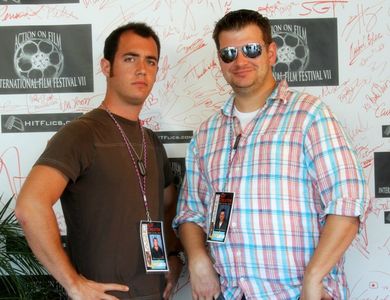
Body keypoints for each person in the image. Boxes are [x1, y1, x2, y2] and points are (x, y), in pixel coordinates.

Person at [173, 9, 370, 300]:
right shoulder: (206, 133)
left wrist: (314, 278)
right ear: (220, 61)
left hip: (298, 294)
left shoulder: (309, 115)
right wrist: (199, 261)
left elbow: (348, 202)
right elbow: (190, 212)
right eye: (228, 53)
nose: (240, 61)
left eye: (251, 49)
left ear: (271, 53)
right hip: (232, 294)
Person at [15, 22, 182, 300]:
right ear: (107, 67)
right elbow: (30, 205)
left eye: (150, 61)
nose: (141, 69)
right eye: (130, 58)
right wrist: (73, 283)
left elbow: (167, 206)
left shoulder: (151, 141)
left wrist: (173, 253)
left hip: (154, 293)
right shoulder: (82, 133)